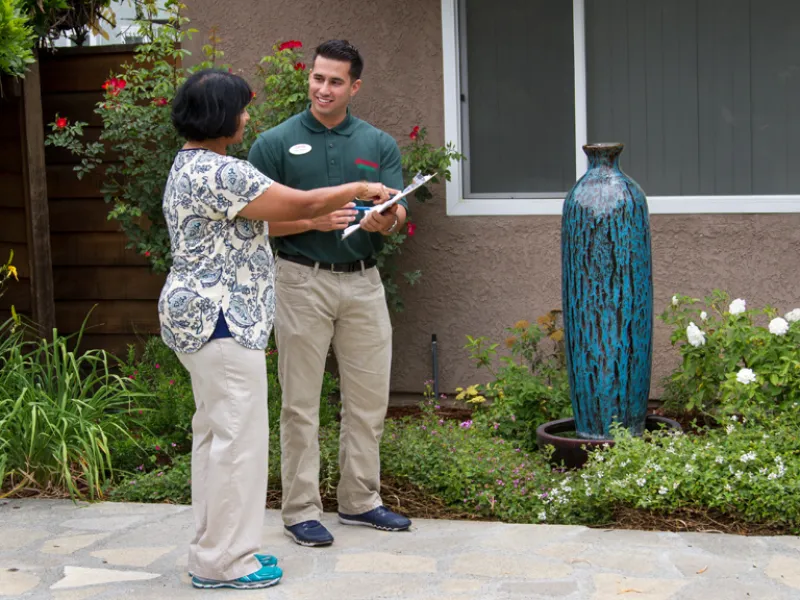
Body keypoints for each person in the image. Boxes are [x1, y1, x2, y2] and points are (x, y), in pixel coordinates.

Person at [158, 68, 393, 589]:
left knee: (216, 438)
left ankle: (211, 552)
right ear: (220, 115)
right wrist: (358, 188)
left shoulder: (192, 165)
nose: (246, 116)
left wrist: (311, 223)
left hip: (196, 317)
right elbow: (304, 200)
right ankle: (227, 564)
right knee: (237, 445)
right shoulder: (225, 172)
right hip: (221, 321)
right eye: (240, 108)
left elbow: (265, 219)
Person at [248, 39, 412, 548]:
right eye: (317, 78)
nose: (323, 88)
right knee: (300, 403)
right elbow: (252, 224)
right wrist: (309, 219)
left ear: (354, 86)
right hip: (300, 280)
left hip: (364, 282)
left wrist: (388, 218)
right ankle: (300, 510)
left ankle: (361, 501)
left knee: (368, 401)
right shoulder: (273, 144)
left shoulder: (379, 144)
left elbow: (400, 214)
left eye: (335, 81)